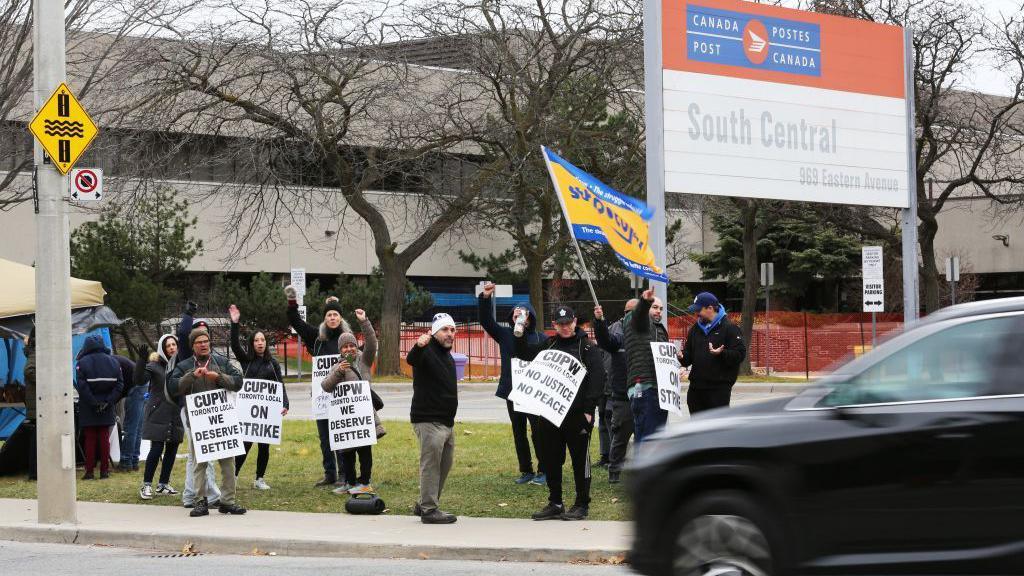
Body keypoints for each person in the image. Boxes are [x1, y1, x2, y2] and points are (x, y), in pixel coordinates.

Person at [514, 305, 605, 521]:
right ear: (554, 325)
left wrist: (589, 410)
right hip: (550, 414)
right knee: (551, 460)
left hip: (577, 416)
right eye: (560, 324)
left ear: (575, 322)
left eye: (568, 323)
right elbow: (524, 353)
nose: (565, 327)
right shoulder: (549, 343)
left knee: (579, 460)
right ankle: (555, 502)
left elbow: (598, 378)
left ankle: (582, 504)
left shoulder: (587, 346)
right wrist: (520, 329)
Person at [167, 327, 246, 517]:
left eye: (206, 341)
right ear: (193, 346)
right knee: (199, 463)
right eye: (199, 342)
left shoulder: (221, 362)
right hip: (199, 424)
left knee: (228, 462)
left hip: (222, 423)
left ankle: (227, 502)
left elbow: (238, 381)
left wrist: (219, 377)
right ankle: (201, 501)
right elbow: (173, 387)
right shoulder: (184, 365)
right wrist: (192, 375)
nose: (203, 345)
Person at [477, 281, 546, 486]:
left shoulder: (540, 338)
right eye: (515, 313)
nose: (518, 315)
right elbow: (486, 321)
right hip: (512, 392)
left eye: (522, 313)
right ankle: (526, 470)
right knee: (519, 433)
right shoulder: (505, 335)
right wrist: (485, 298)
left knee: (538, 432)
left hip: (533, 393)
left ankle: (544, 470)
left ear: (530, 317)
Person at [284, 286, 352, 488]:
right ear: (325, 319)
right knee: (325, 437)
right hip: (321, 395)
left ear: (340, 318)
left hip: (342, 394)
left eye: (335, 314)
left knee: (340, 434)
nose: (332, 318)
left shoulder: (346, 339)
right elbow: (295, 322)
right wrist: (292, 301)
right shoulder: (317, 337)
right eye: (329, 315)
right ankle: (329, 473)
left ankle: (343, 474)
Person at [319, 308, 383, 496]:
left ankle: (365, 482)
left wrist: (364, 322)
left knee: (364, 450)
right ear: (340, 350)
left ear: (356, 347)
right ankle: (349, 481)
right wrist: (339, 371)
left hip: (362, 417)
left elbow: (372, 342)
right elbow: (325, 386)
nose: (349, 349)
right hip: (346, 419)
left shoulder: (364, 361)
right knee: (346, 452)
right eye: (345, 347)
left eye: (352, 346)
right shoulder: (337, 366)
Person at [229, 305, 290, 491]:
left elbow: (280, 385)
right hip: (248, 413)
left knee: (265, 447)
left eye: (262, 340)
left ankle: (259, 478)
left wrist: (285, 403)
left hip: (267, 414)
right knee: (245, 446)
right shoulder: (246, 360)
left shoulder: (272, 363)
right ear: (252, 343)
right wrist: (234, 323)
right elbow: (234, 344)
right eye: (256, 340)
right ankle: (233, 476)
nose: (260, 343)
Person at [407, 313, 459, 525]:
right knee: (431, 466)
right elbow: (412, 359)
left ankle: (423, 503)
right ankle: (429, 510)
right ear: (434, 332)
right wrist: (419, 345)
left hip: (446, 422)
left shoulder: (446, 354)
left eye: (452, 330)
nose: (450, 334)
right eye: (445, 330)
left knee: (444, 465)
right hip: (428, 420)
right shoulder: (427, 350)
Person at [172, 304, 221, 509]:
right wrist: (188, 314)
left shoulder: (213, 358)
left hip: (209, 409)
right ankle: (210, 494)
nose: (202, 342)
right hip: (192, 409)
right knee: (203, 453)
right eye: (197, 337)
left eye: (205, 337)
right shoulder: (186, 356)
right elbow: (183, 332)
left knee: (197, 454)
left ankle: (191, 495)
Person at [593, 299, 638, 484]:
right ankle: (614, 472)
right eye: (629, 312)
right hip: (621, 392)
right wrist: (599, 322)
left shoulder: (652, 330)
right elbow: (606, 342)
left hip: (646, 393)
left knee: (646, 434)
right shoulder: (618, 331)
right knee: (620, 434)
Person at [680, 292, 746, 414]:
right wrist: (681, 356)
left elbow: (740, 355)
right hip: (696, 388)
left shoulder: (730, 328)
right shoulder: (695, 329)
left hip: (719, 389)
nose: (696, 314)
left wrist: (721, 353)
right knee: (696, 428)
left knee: (716, 429)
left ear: (710, 308)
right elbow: (688, 358)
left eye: (699, 310)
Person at [135, 335, 185, 500]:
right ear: (162, 349)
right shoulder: (155, 366)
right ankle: (147, 484)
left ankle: (163, 484)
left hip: (176, 413)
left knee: (172, 448)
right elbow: (139, 379)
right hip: (158, 413)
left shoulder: (182, 366)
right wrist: (141, 361)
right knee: (156, 449)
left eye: (174, 344)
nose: (171, 347)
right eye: (168, 345)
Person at [623, 288, 670, 444]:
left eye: (661, 309)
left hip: (660, 390)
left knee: (655, 439)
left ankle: (650, 468)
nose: (659, 312)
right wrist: (645, 301)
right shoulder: (634, 320)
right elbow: (639, 315)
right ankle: (644, 468)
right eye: (655, 307)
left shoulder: (659, 329)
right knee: (647, 440)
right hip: (645, 388)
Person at [75, 335, 124, 480]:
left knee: (89, 438)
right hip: (107, 405)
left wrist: (93, 402)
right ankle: (104, 471)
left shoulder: (82, 362)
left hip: (89, 406)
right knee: (104, 438)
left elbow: (82, 386)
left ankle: (89, 472)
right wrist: (108, 402)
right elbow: (120, 385)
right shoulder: (114, 362)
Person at [115, 353, 142, 472]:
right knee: (137, 426)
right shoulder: (113, 359)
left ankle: (126, 462)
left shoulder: (109, 363)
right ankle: (134, 461)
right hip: (142, 384)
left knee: (131, 426)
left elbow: (120, 387)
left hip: (136, 386)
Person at [22, 328, 37, 480]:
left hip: (35, 404)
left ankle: (34, 472)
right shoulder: (35, 353)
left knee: (36, 440)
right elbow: (29, 371)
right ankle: (34, 473)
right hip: (37, 405)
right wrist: (46, 379)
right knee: (36, 441)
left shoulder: (32, 352)